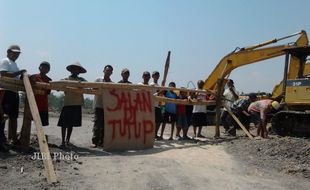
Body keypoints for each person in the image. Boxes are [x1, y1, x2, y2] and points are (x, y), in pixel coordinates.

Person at [19, 61, 52, 150]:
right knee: (28, 121)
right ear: (39, 68)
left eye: (47, 68)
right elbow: (22, 78)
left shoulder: (49, 80)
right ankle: (22, 138)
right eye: (43, 67)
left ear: (48, 70)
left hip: (43, 105)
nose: (45, 69)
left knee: (41, 124)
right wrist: (24, 75)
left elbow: (47, 92)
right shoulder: (33, 77)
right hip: (32, 104)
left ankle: (40, 140)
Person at [0, 45, 26, 152]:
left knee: (14, 117)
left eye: (17, 53)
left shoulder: (15, 64)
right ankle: (2, 139)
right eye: (14, 53)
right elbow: (3, 73)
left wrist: (22, 76)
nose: (16, 55)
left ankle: (13, 139)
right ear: (8, 52)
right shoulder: (5, 61)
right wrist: (19, 73)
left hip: (14, 93)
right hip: (6, 91)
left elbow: (15, 77)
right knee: (3, 116)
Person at [57, 62, 87, 147]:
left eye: (77, 69)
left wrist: (82, 83)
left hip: (77, 104)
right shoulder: (66, 79)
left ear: (79, 71)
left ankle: (67, 141)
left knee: (71, 124)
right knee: (64, 124)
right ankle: (63, 142)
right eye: (73, 68)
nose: (75, 70)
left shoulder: (81, 80)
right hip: (67, 104)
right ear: (71, 70)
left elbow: (89, 85)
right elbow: (58, 87)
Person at [91, 65, 113, 147]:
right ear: (103, 71)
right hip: (98, 105)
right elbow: (93, 89)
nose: (108, 72)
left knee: (105, 125)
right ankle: (95, 142)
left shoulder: (112, 84)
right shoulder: (98, 80)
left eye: (110, 71)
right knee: (97, 124)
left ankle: (102, 142)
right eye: (107, 70)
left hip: (107, 107)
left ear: (111, 73)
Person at [150, 71, 163, 140]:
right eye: (155, 75)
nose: (157, 76)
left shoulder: (158, 84)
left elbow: (159, 94)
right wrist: (159, 92)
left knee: (159, 120)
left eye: (158, 75)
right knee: (154, 121)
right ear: (152, 76)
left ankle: (155, 134)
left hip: (157, 105)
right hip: (152, 105)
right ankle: (152, 134)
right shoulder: (151, 84)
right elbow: (151, 95)